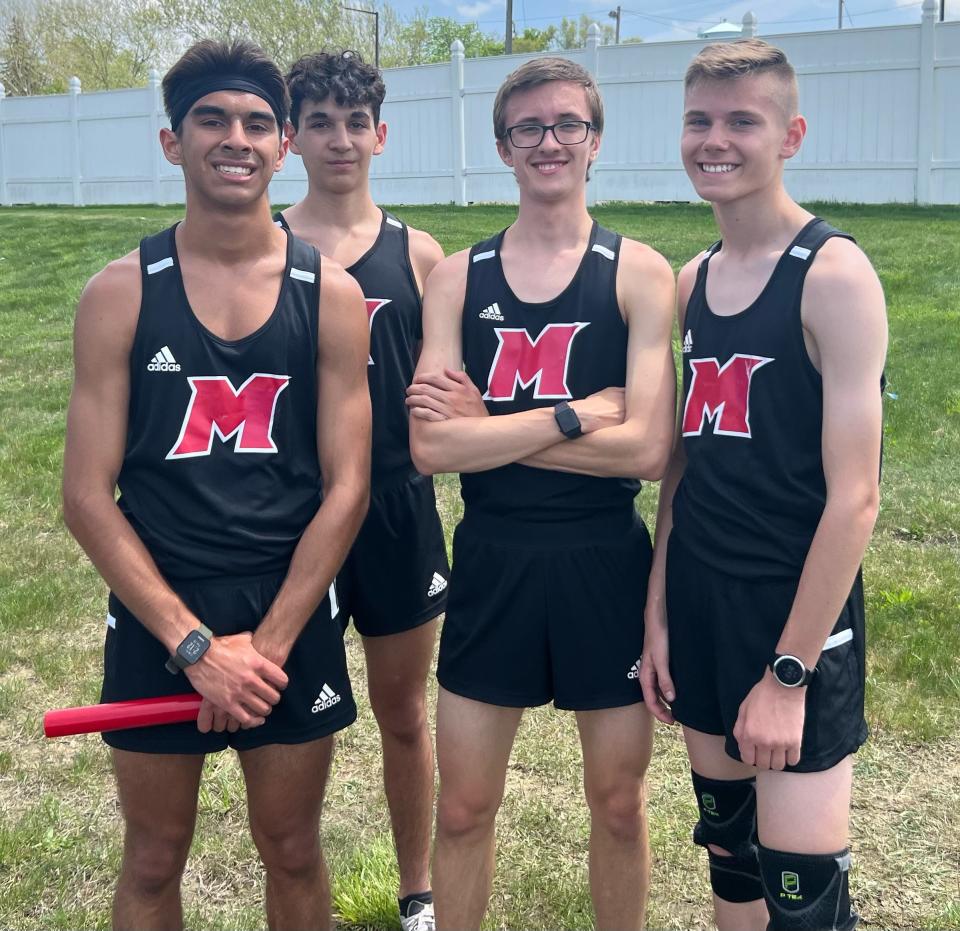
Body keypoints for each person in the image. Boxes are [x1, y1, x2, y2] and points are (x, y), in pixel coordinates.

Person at [61, 39, 371, 931]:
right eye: (212, 119)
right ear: (173, 142)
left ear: (284, 148)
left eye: (257, 123)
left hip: (289, 614)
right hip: (162, 611)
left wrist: (263, 650)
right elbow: (86, 495)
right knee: (154, 858)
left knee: (294, 849)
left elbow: (348, 488)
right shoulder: (119, 293)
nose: (235, 138)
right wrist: (197, 647)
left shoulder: (332, 294)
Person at [406, 57, 676, 931]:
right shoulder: (456, 276)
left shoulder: (639, 271)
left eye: (568, 125)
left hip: (606, 560)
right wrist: (568, 416)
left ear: (595, 142)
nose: (549, 141)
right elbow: (431, 444)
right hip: (493, 560)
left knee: (619, 802)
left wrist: (494, 432)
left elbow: (646, 448)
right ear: (502, 148)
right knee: (462, 807)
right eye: (529, 128)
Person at [640, 38, 887, 931]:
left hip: (797, 619)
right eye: (699, 120)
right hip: (703, 607)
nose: (717, 139)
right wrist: (659, 614)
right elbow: (681, 470)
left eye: (743, 120)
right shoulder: (692, 282)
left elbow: (856, 498)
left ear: (791, 135)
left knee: (803, 892)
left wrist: (790, 670)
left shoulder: (834, 275)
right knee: (732, 858)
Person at [275, 50, 449, 931]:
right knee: (296, 726)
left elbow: (454, 382)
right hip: (291, 514)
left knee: (404, 711)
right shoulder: (261, 244)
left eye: (355, 123)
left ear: (380, 135)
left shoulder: (417, 252)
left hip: (394, 505)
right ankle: (302, 881)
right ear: (290, 136)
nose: (339, 140)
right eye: (319, 122)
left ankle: (417, 888)